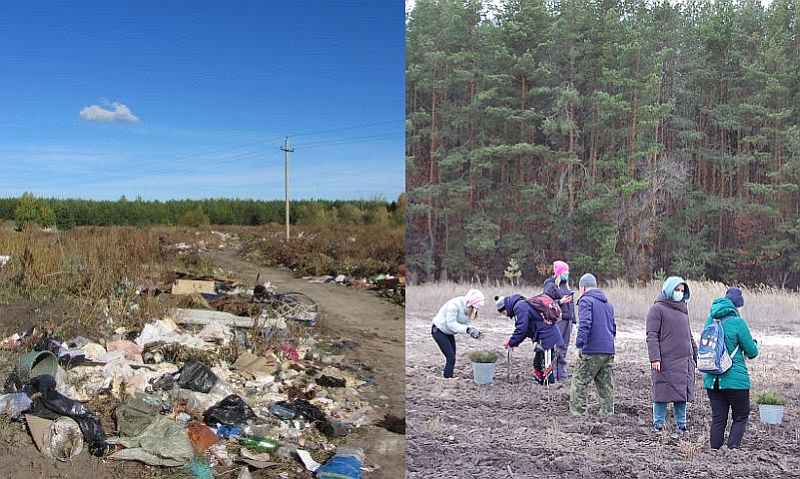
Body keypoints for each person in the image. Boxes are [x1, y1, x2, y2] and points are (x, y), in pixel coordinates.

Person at [703, 287, 759, 449]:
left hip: (712, 379)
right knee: (740, 416)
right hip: (735, 381)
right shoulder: (738, 323)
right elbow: (752, 352)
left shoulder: (710, 320)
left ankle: (714, 451)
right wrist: (754, 343)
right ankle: (732, 451)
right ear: (737, 306)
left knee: (719, 418)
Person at [646, 276, 698, 437]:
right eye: (677, 290)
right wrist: (655, 358)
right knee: (661, 394)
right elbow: (652, 335)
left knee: (680, 395)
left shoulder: (683, 310)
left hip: (684, 361)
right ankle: (658, 426)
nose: (679, 293)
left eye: (682, 291)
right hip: (665, 361)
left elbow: (688, 335)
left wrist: (694, 354)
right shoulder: (657, 309)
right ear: (669, 289)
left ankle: (681, 427)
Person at [569, 273, 616, 416]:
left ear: (582, 288)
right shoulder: (607, 303)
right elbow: (613, 327)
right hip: (608, 349)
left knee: (579, 381)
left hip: (591, 349)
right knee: (605, 384)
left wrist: (579, 344)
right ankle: (607, 413)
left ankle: (579, 414)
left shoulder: (585, 301)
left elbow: (585, 324)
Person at [497, 294, 565, 384]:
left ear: (506, 307)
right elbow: (526, 330)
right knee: (537, 365)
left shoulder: (519, 307)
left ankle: (550, 390)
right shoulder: (522, 305)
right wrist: (514, 342)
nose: (505, 315)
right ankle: (543, 386)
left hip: (549, 338)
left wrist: (511, 342)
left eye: (503, 312)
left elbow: (521, 329)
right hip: (543, 338)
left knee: (546, 367)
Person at [431, 289, 485, 378]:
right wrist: (468, 330)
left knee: (452, 357)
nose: (475, 310)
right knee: (450, 357)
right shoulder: (454, 305)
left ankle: (449, 377)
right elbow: (451, 324)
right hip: (438, 330)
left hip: (448, 332)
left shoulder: (468, 308)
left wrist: (473, 331)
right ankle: (447, 379)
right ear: (470, 303)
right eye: (474, 307)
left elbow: (466, 323)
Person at [543, 260, 576, 383]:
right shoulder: (550, 285)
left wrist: (574, 320)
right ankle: (552, 375)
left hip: (568, 321)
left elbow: (572, 305)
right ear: (559, 272)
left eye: (568, 271)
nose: (567, 273)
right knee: (556, 348)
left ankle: (562, 375)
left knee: (563, 348)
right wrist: (560, 302)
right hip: (557, 320)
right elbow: (545, 303)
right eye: (565, 271)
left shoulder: (566, 286)